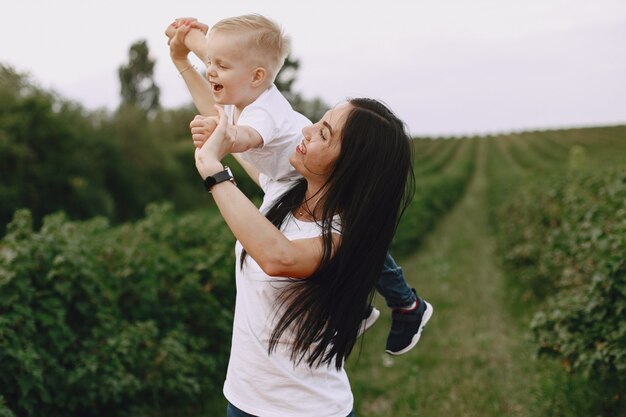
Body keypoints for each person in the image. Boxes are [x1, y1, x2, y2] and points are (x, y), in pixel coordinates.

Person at [166, 14, 433, 357]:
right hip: (287, 177)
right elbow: (217, 53)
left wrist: (220, 147)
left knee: (363, 238)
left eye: (322, 131)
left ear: (256, 75)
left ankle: (405, 304)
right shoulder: (250, 87)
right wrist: (183, 43)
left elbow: (241, 136)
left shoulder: (262, 115)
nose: (211, 70)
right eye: (210, 63)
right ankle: (356, 304)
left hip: (309, 177)